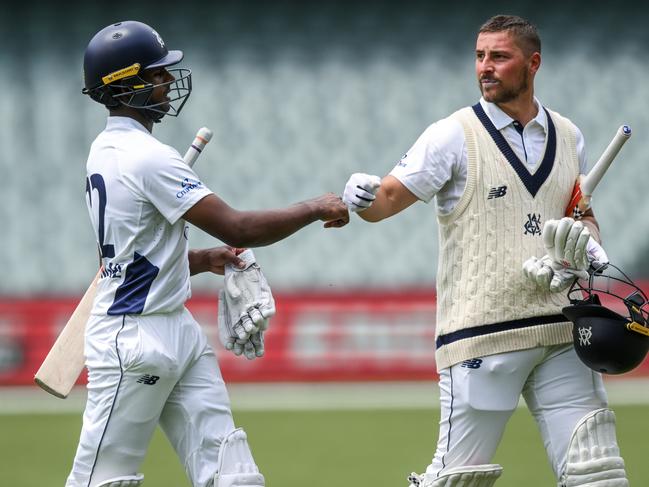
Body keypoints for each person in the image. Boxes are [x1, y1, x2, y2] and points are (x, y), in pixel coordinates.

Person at [343, 14, 629, 487]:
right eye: (480, 56)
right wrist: (364, 199)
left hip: (562, 330)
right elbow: (388, 199)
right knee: (454, 480)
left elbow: (582, 217)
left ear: (532, 63)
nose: (485, 67)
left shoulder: (569, 135)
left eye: (499, 56)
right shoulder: (453, 134)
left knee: (597, 473)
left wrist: (586, 244)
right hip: (482, 335)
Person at [69, 20, 349, 487]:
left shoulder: (105, 150)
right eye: (156, 74)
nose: (166, 82)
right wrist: (313, 206)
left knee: (232, 475)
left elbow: (141, 250)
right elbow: (239, 226)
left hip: (175, 331)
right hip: (132, 339)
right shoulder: (149, 157)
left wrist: (203, 259)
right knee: (102, 481)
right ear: (126, 83)